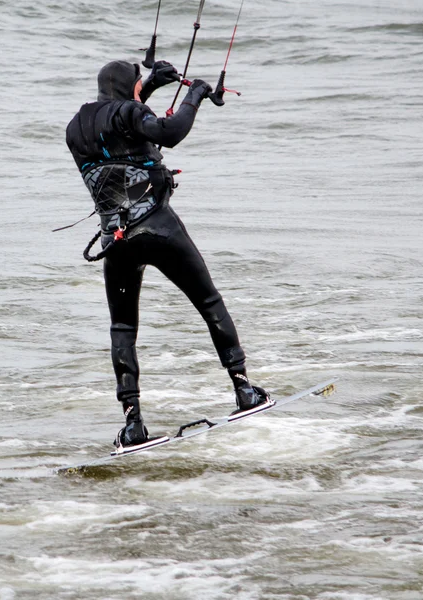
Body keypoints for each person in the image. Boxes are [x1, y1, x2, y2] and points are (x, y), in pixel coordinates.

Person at [66, 59, 269, 448]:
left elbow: (121, 125)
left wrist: (152, 86)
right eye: (139, 85)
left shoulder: (76, 127)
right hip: (159, 228)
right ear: (130, 88)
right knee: (209, 301)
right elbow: (169, 132)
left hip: (117, 239)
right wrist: (195, 95)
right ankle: (244, 390)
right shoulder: (129, 110)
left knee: (123, 328)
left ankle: (133, 424)